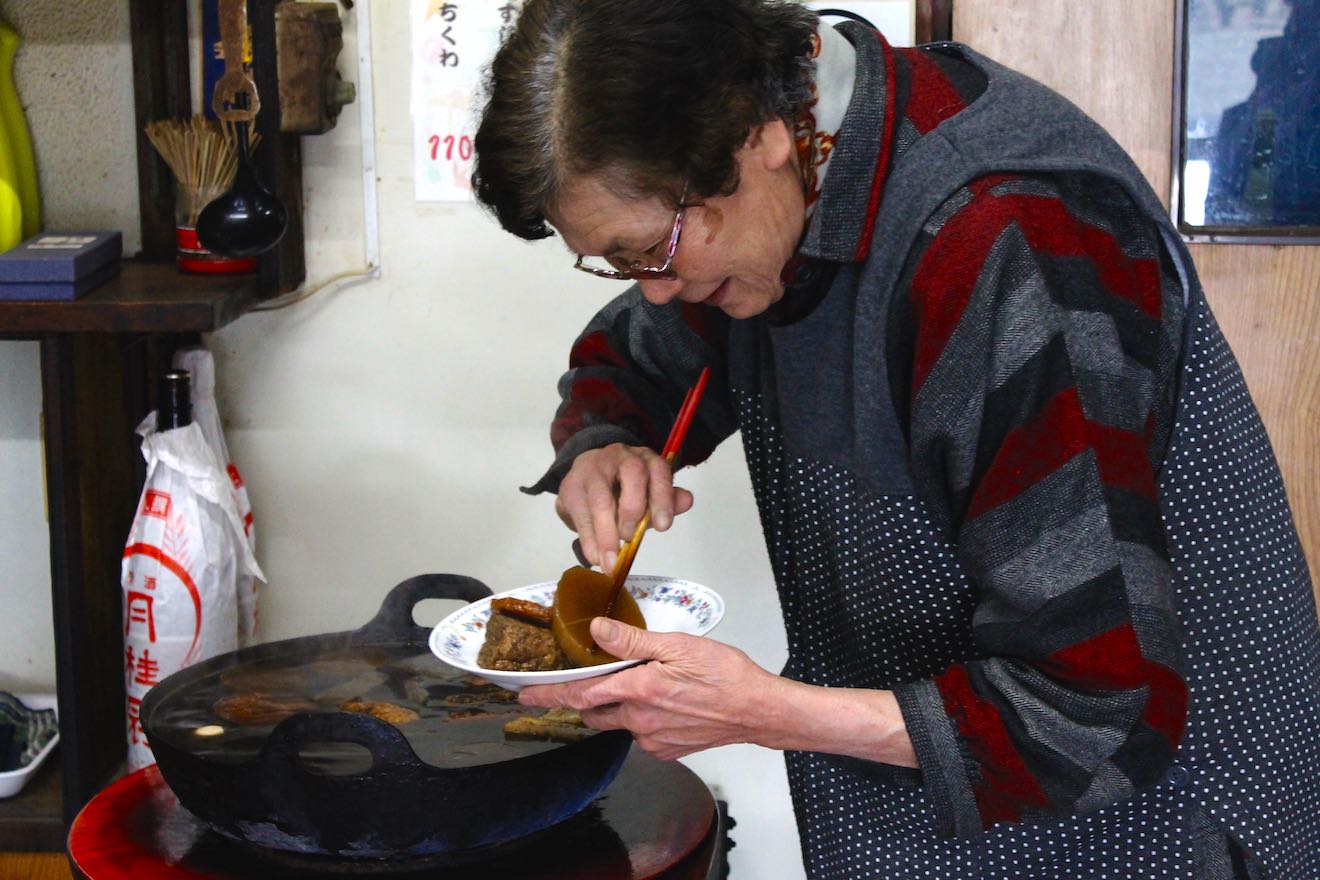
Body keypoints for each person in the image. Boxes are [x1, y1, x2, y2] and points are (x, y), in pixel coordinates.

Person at [471, 1, 1320, 877]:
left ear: (755, 134)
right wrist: (608, 439)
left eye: (651, 249)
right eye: (615, 263)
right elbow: (637, 354)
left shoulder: (996, 239)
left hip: (1137, 827)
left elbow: (1093, 713)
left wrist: (760, 711)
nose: (652, 289)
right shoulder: (778, 200)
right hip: (931, 807)